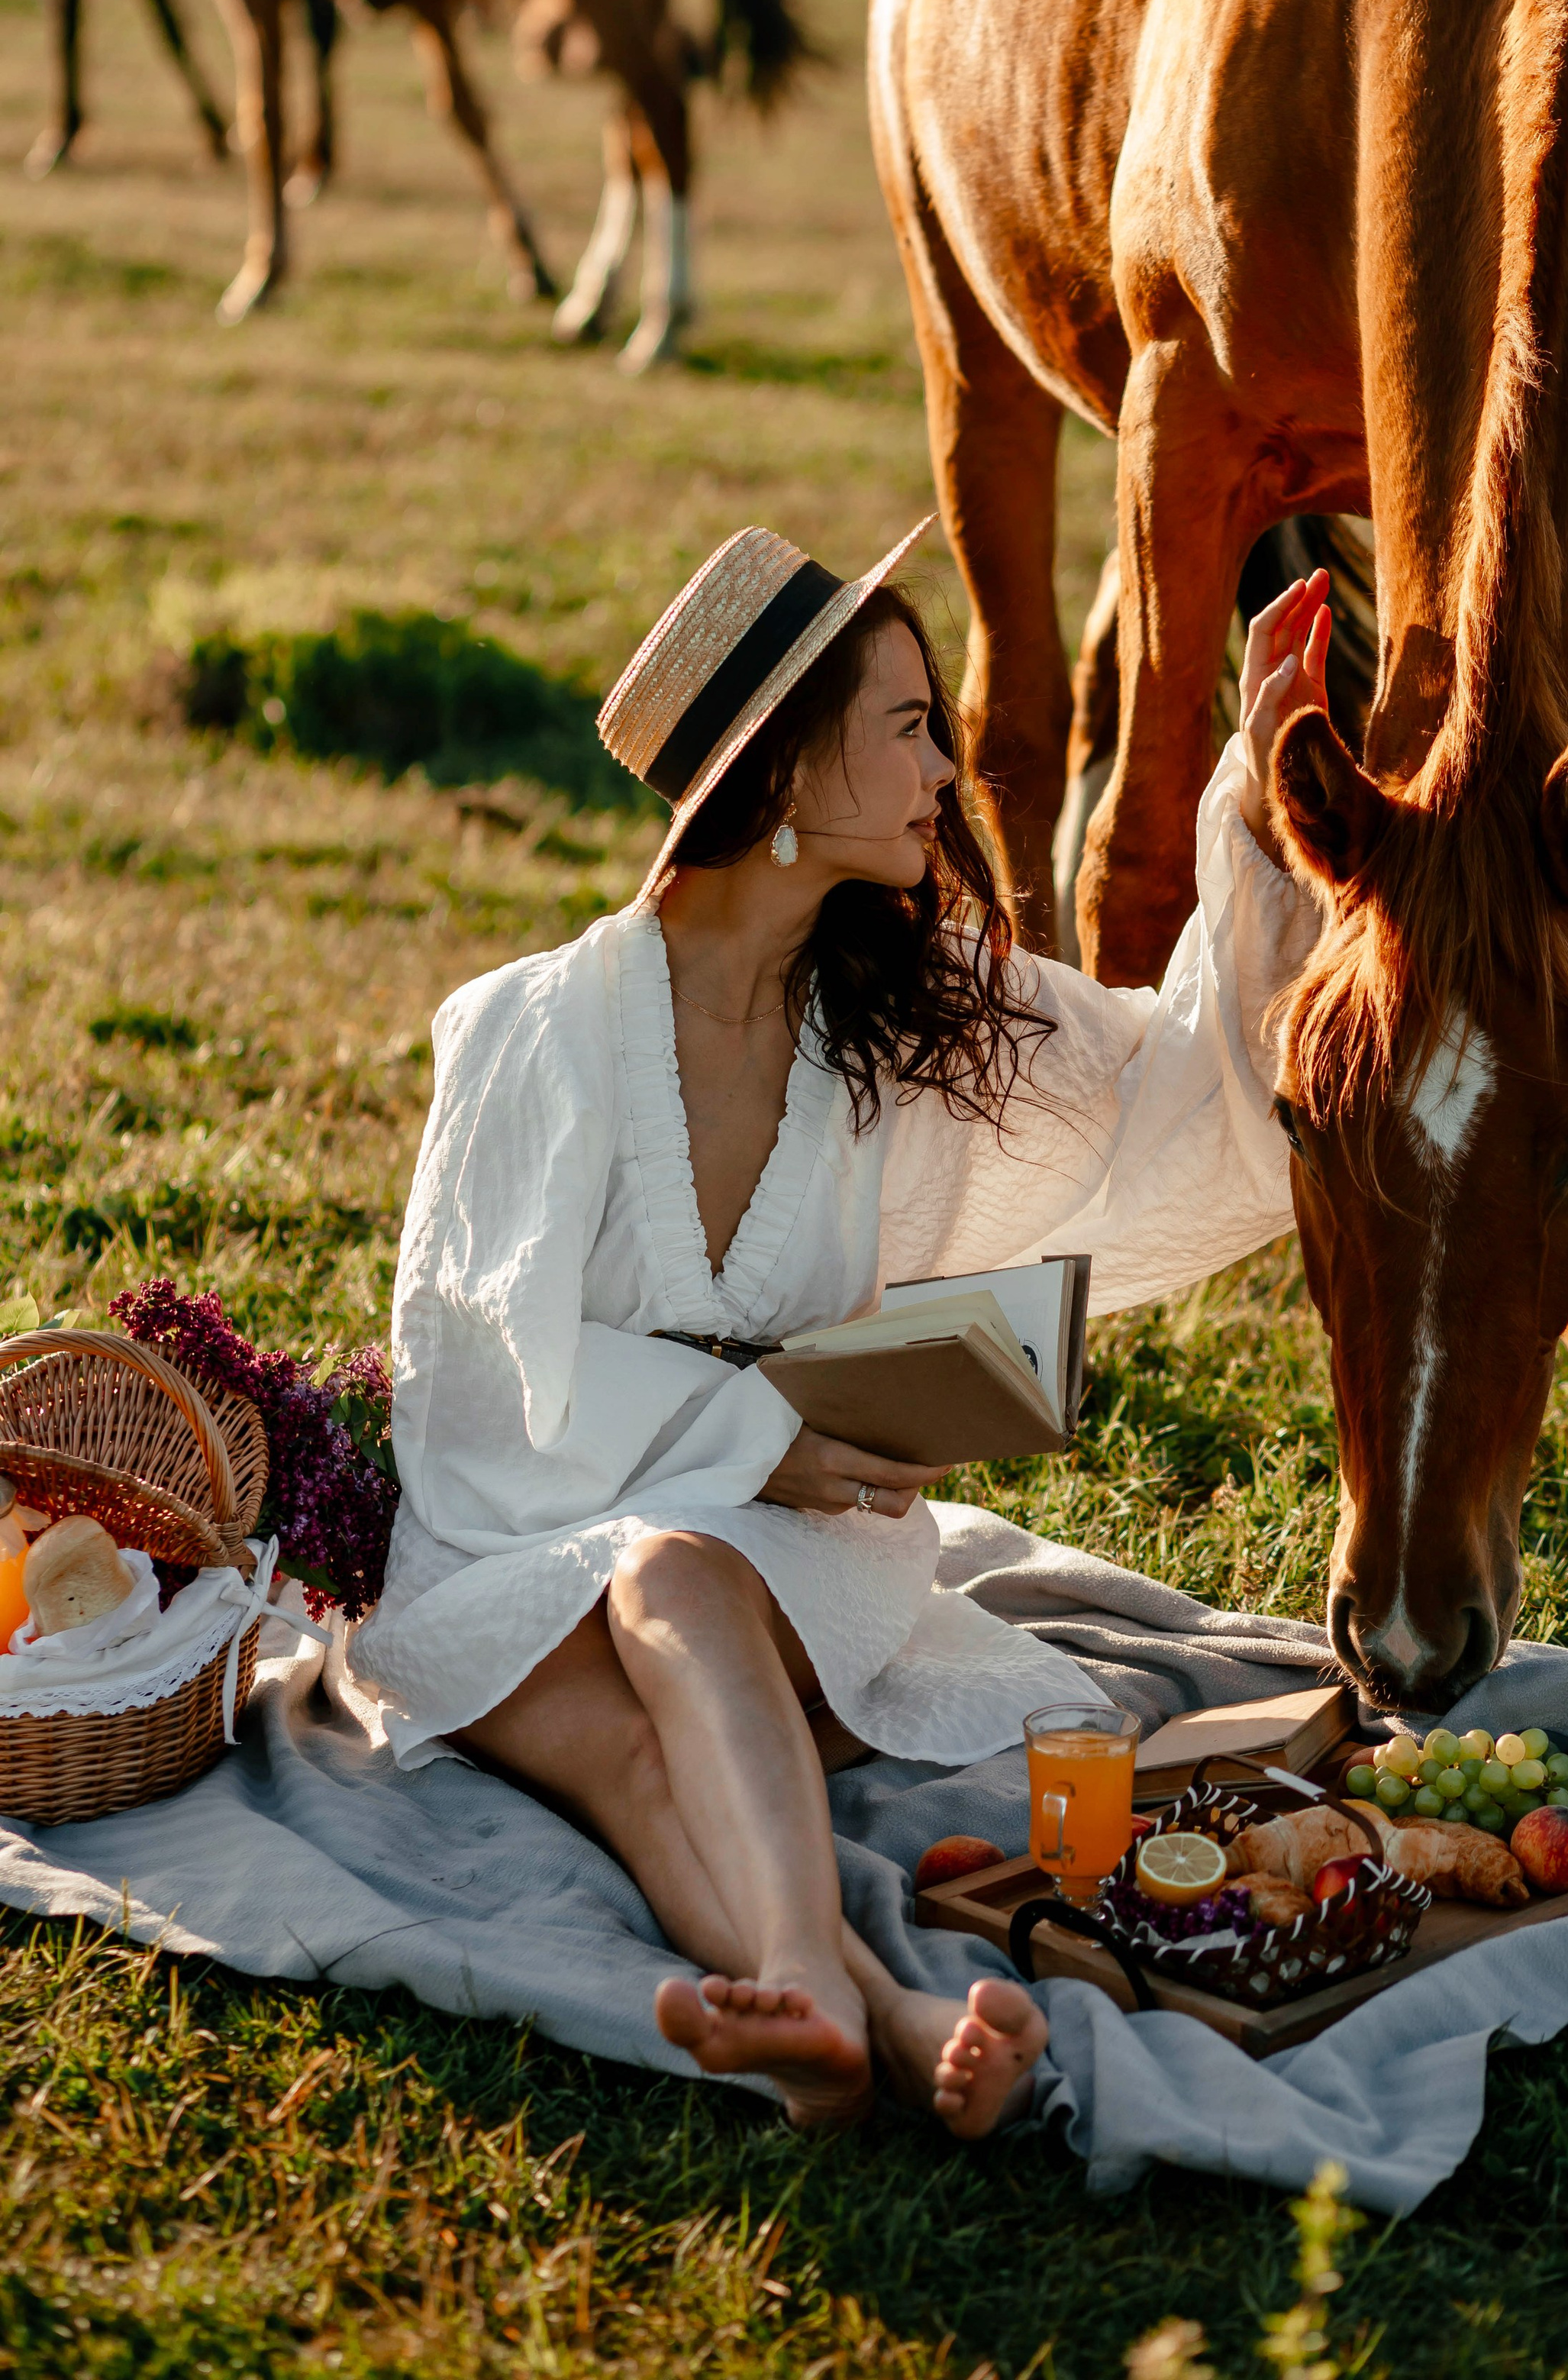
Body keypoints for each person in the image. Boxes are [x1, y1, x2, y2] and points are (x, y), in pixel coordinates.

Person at [349, 516, 1332, 2136]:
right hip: (507, 1545)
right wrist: (764, 1434)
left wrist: (1255, 786)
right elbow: (466, 1381)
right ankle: (870, 2011)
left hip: (789, 1559)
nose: (946, 769)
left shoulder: (900, 1011)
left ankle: (812, 1983)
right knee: (637, 1733)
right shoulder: (532, 1030)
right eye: (909, 727)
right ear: (788, 775)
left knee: (673, 1585)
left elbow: (1166, 1088)